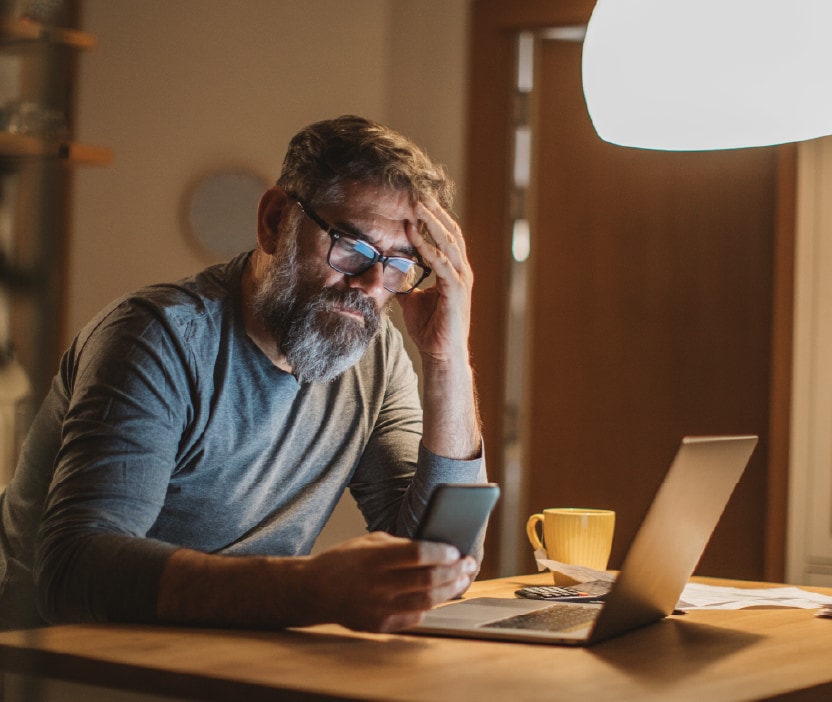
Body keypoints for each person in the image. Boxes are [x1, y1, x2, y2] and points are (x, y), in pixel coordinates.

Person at [0, 115, 487, 632]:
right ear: (275, 221)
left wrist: (447, 358)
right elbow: (72, 571)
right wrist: (307, 589)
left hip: (224, 656)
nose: (371, 285)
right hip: (58, 662)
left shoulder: (375, 352)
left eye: (398, 264)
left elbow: (440, 564)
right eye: (351, 246)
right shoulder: (157, 338)